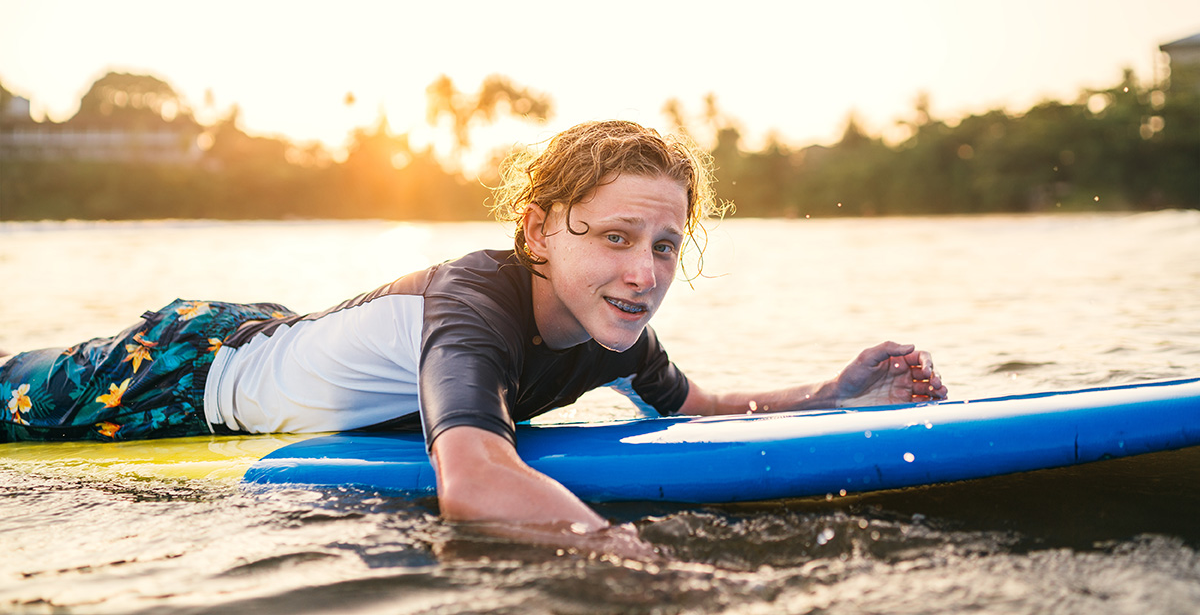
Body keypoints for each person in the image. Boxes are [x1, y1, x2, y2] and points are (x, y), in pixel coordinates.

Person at [1, 120, 946, 544]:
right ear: (538, 229)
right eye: (615, 238)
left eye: (665, 245)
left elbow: (697, 406)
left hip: (276, 331)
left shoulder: (606, 325)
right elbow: (474, 482)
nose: (645, 273)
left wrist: (833, 393)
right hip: (177, 372)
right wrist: (626, 557)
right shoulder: (476, 302)